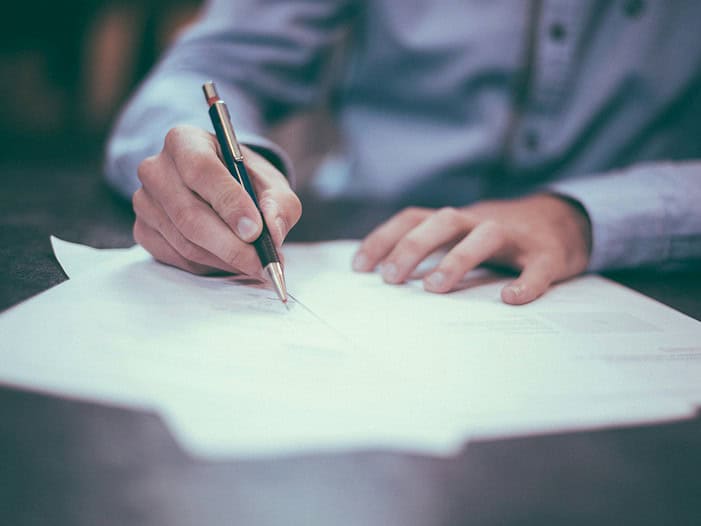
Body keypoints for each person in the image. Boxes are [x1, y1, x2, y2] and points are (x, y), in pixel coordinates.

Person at [105, 0, 701, 305]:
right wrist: (211, 168)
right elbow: (206, 69)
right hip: (364, 246)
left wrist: (585, 216)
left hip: (639, 275)